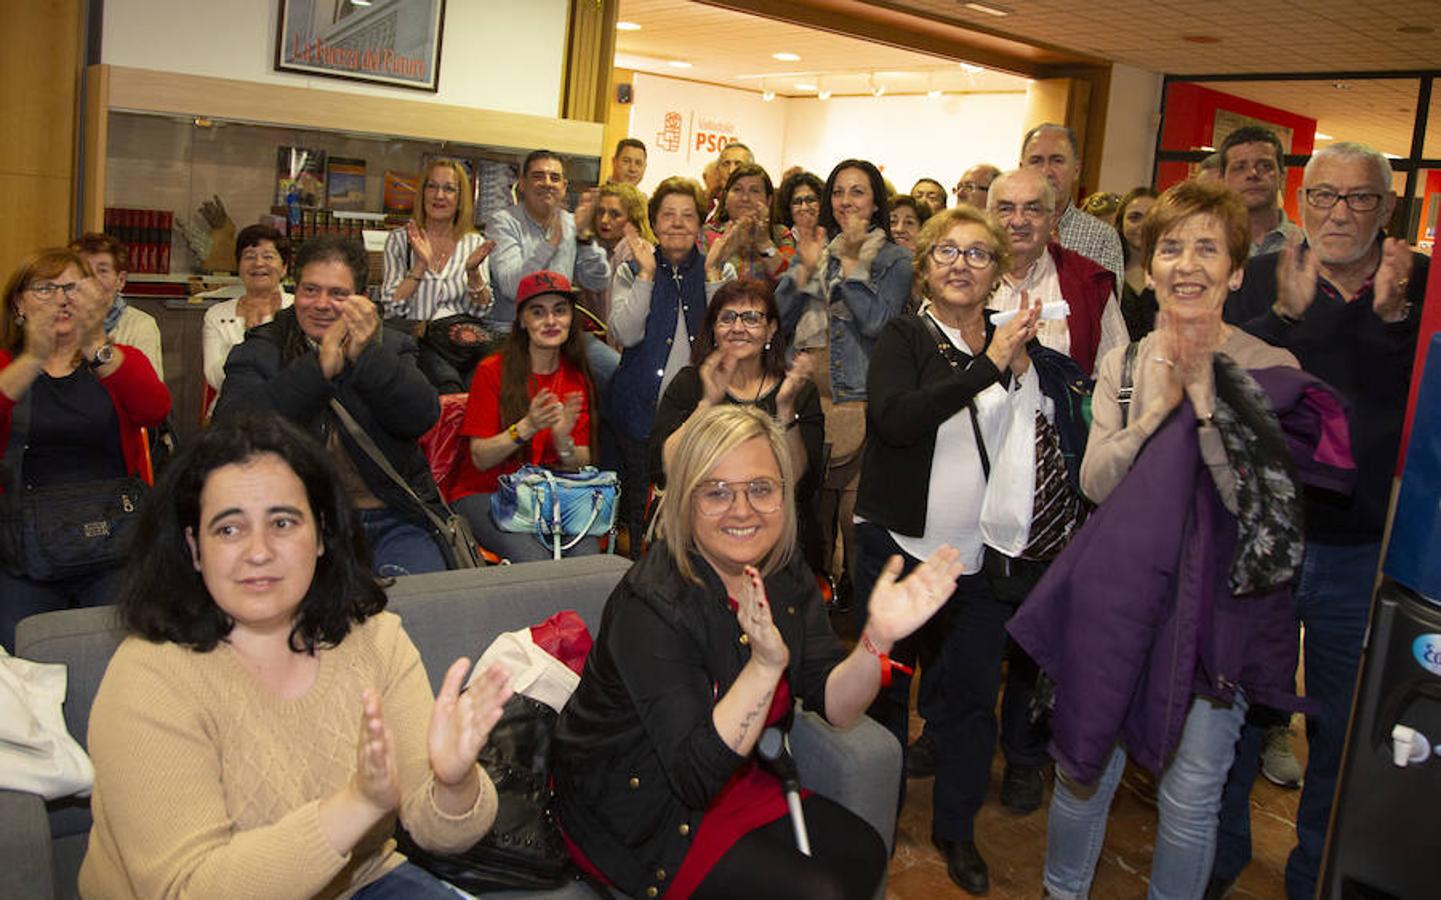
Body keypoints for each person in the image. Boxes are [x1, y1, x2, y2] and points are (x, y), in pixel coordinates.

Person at [1007, 180, 1352, 900]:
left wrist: (1205, 412)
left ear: (1233, 271)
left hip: (1217, 607)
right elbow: (1096, 481)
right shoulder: (1124, 364)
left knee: (1192, 793)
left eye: (1206, 248)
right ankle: (1060, 892)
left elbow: (1262, 514)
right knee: (1083, 764)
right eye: (1170, 247)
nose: (1186, 263)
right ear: (1149, 265)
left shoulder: (1271, 371)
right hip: (1120, 594)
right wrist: (1149, 418)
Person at [79, 412, 512, 899]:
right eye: (228, 530)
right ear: (194, 549)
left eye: (282, 523)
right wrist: (356, 805)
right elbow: (188, 889)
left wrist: (453, 784)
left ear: (324, 535)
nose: (258, 551)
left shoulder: (374, 640)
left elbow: (441, 832)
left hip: (356, 883)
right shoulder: (150, 676)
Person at [553, 403, 966, 900]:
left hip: (736, 780)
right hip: (637, 810)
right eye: (717, 491)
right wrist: (766, 666)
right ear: (685, 501)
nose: (743, 509)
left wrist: (876, 640)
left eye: (761, 489)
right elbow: (693, 776)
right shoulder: (652, 603)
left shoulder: (784, 570)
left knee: (864, 850)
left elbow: (834, 704)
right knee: (818, 892)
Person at [1216, 141, 1426, 900]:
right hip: (1265, 538)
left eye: (1360, 198)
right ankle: (1217, 863)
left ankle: (1311, 876)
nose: (1340, 213)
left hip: (1359, 552)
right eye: (1325, 196)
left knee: (1339, 730)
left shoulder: (1420, 289)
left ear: (1388, 209)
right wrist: (1284, 319)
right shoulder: (1262, 284)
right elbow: (1238, 397)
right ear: (1301, 203)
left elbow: (1412, 411)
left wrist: (1393, 320)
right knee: (1234, 714)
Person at [852, 205, 1043, 896]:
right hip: (898, 551)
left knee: (968, 705)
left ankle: (955, 831)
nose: (960, 264)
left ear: (996, 273)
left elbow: (1034, 438)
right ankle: (873, 821)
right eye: (946, 252)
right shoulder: (904, 334)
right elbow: (895, 421)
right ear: (925, 267)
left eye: (977, 253)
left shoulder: (1013, 342)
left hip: (980, 560)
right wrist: (986, 367)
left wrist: (1017, 371)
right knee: (885, 697)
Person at [215, 235, 451, 578]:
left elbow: (421, 416)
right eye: (310, 290)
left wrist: (366, 356)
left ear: (362, 299)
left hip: (391, 518)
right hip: (293, 524)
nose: (321, 304)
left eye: (338, 294)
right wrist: (317, 369)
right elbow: (231, 432)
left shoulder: (392, 345)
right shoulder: (262, 347)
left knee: (416, 604)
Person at [0, 248, 170, 652]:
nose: (62, 298)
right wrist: (34, 358)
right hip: (22, 546)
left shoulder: (118, 361)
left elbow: (154, 409)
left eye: (73, 288)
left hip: (112, 539)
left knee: (128, 647)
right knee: (22, 648)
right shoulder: (7, 364)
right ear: (18, 304)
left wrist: (94, 342)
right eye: (46, 288)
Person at [775, 159, 912, 607]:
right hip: (808, 397)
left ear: (876, 203)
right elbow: (782, 314)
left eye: (858, 192)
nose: (846, 201)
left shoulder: (894, 259)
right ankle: (815, 607)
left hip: (863, 401)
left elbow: (879, 323)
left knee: (857, 524)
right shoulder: (820, 249)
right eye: (839, 192)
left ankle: (862, 618)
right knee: (812, 515)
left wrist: (850, 267)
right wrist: (803, 266)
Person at [649, 278, 823, 564]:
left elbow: (799, 484)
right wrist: (707, 402)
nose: (738, 328)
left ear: (771, 331)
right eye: (727, 318)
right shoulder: (690, 384)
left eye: (751, 318)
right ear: (714, 330)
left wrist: (785, 408)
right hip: (700, 535)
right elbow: (663, 467)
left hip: (778, 541)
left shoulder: (797, 391)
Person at [609, 177, 736, 557]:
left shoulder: (721, 270)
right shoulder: (632, 269)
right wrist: (647, 276)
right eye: (668, 215)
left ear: (700, 223)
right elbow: (624, 333)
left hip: (701, 413)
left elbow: (727, 337)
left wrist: (712, 275)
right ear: (654, 221)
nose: (678, 223)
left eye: (688, 215)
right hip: (638, 410)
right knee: (639, 511)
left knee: (697, 512)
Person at [451, 271, 601, 563]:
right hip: (485, 491)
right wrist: (527, 426)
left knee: (587, 559)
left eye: (560, 311)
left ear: (571, 319)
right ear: (522, 320)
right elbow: (480, 458)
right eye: (538, 312)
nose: (551, 321)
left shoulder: (576, 376)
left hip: (548, 496)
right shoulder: (492, 371)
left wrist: (562, 441)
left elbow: (582, 460)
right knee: (535, 559)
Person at [487, 150, 617, 395]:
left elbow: (598, 281)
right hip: (514, 333)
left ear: (564, 187)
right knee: (527, 392)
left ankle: (590, 431)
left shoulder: (571, 222)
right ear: (522, 184)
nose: (547, 183)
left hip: (561, 332)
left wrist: (583, 237)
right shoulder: (502, 222)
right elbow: (511, 287)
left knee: (615, 371)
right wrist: (552, 243)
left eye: (554, 178)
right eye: (538, 176)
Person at [987, 168, 1127, 377]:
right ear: (988, 216)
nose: (1018, 221)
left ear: (1052, 219)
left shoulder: (1088, 282)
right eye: (1006, 209)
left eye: (1032, 209)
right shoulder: (959, 275)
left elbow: (1117, 374)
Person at [381, 158, 495, 322]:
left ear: (460, 199)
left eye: (449, 189)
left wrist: (473, 273)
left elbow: (482, 309)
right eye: (432, 187)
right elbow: (392, 309)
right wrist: (420, 265)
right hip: (411, 343)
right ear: (423, 193)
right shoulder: (399, 240)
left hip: (456, 343)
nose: (439, 196)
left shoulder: (474, 244)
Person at [1021, 123, 1125, 287]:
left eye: (1057, 161)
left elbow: (1106, 308)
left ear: (1076, 169)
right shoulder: (1002, 229)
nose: (1046, 171)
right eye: (1036, 161)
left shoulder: (1101, 237)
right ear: (1021, 169)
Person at [201, 224, 293, 398]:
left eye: (268, 256)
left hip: (288, 407)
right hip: (233, 407)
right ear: (239, 266)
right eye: (249, 257)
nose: (258, 263)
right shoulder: (217, 314)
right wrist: (249, 343)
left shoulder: (299, 308)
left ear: (284, 267)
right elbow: (214, 378)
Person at [69, 233, 164, 379]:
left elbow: (148, 395)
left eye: (102, 271)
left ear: (120, 280)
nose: (92, 279)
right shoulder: (59, 321)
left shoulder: (141, 325)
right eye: (84, 271)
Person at [1220, 125, 1303, 257]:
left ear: (1282, 175)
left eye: (1265, 166)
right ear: (1222, 179)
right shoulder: (1206, 245)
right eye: (1239, 167)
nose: (1252, 174)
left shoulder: (1307, 247)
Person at [582, 180, 653, 328]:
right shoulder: (596, 248)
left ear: (632, 219)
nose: (604, 220)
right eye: (600, 212)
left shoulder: (636, 251)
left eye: (615, 215)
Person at [703, 163, 788, 283]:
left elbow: (789, 283)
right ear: (726, 198)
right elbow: (698, 282)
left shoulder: (781, 234)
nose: (745, 198)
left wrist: (765, 243)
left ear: (768, 200)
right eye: (737, 190)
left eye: (754, 191)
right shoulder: (706, 235)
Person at [1116, 187, 1159, 340]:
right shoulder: (1106, 274)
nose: (1143, 225)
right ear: (1121, 223)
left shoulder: (1174, 274)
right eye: (1135, 218)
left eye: (1151, 218)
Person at [773, 170, 824, 262]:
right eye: (796, 202)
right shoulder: (779, 238)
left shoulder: (833, 237)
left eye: (811, 200)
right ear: (788, 208)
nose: (804, 207)